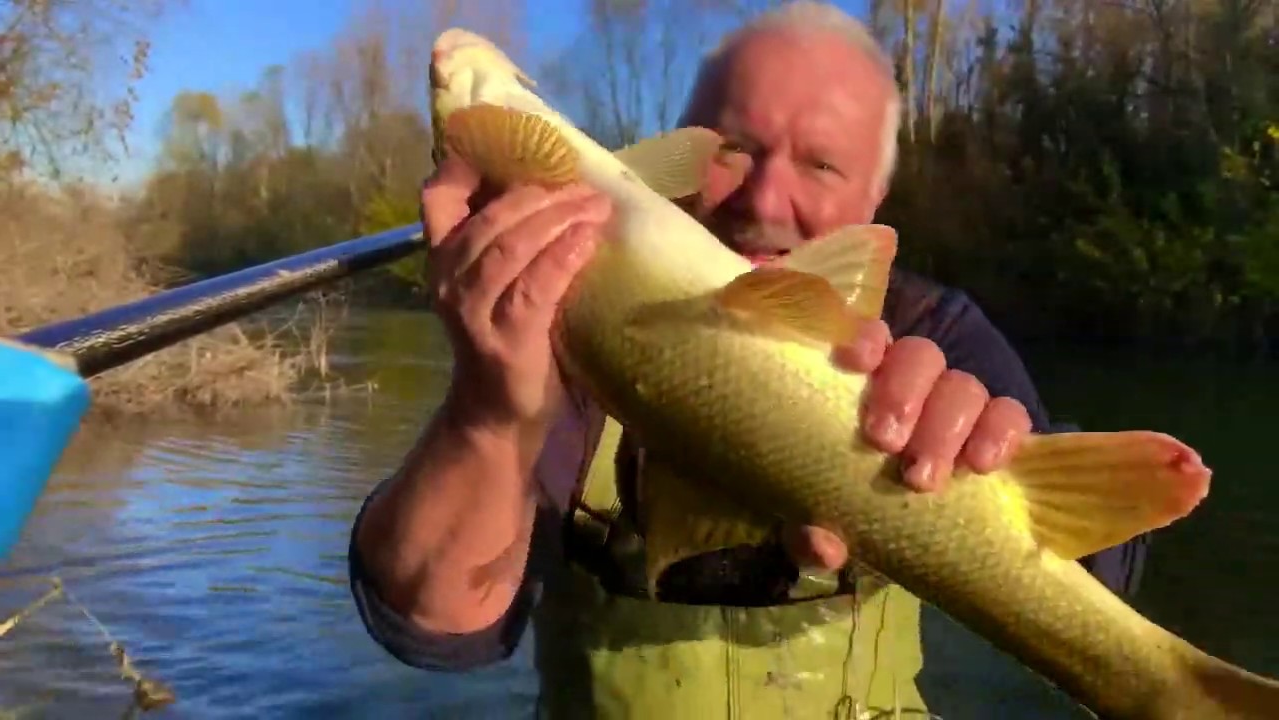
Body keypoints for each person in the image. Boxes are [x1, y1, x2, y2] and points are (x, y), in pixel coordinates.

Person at [349, 3, 1148, 717]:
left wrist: (985, 452)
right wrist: (492, 411)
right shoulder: (554, 320)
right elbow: (438, 629)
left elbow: (1105, 569)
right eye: (734, 150)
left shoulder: (930, 327)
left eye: (820, 165)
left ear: (874, 199)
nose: (764, 201)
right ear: (662, 160)